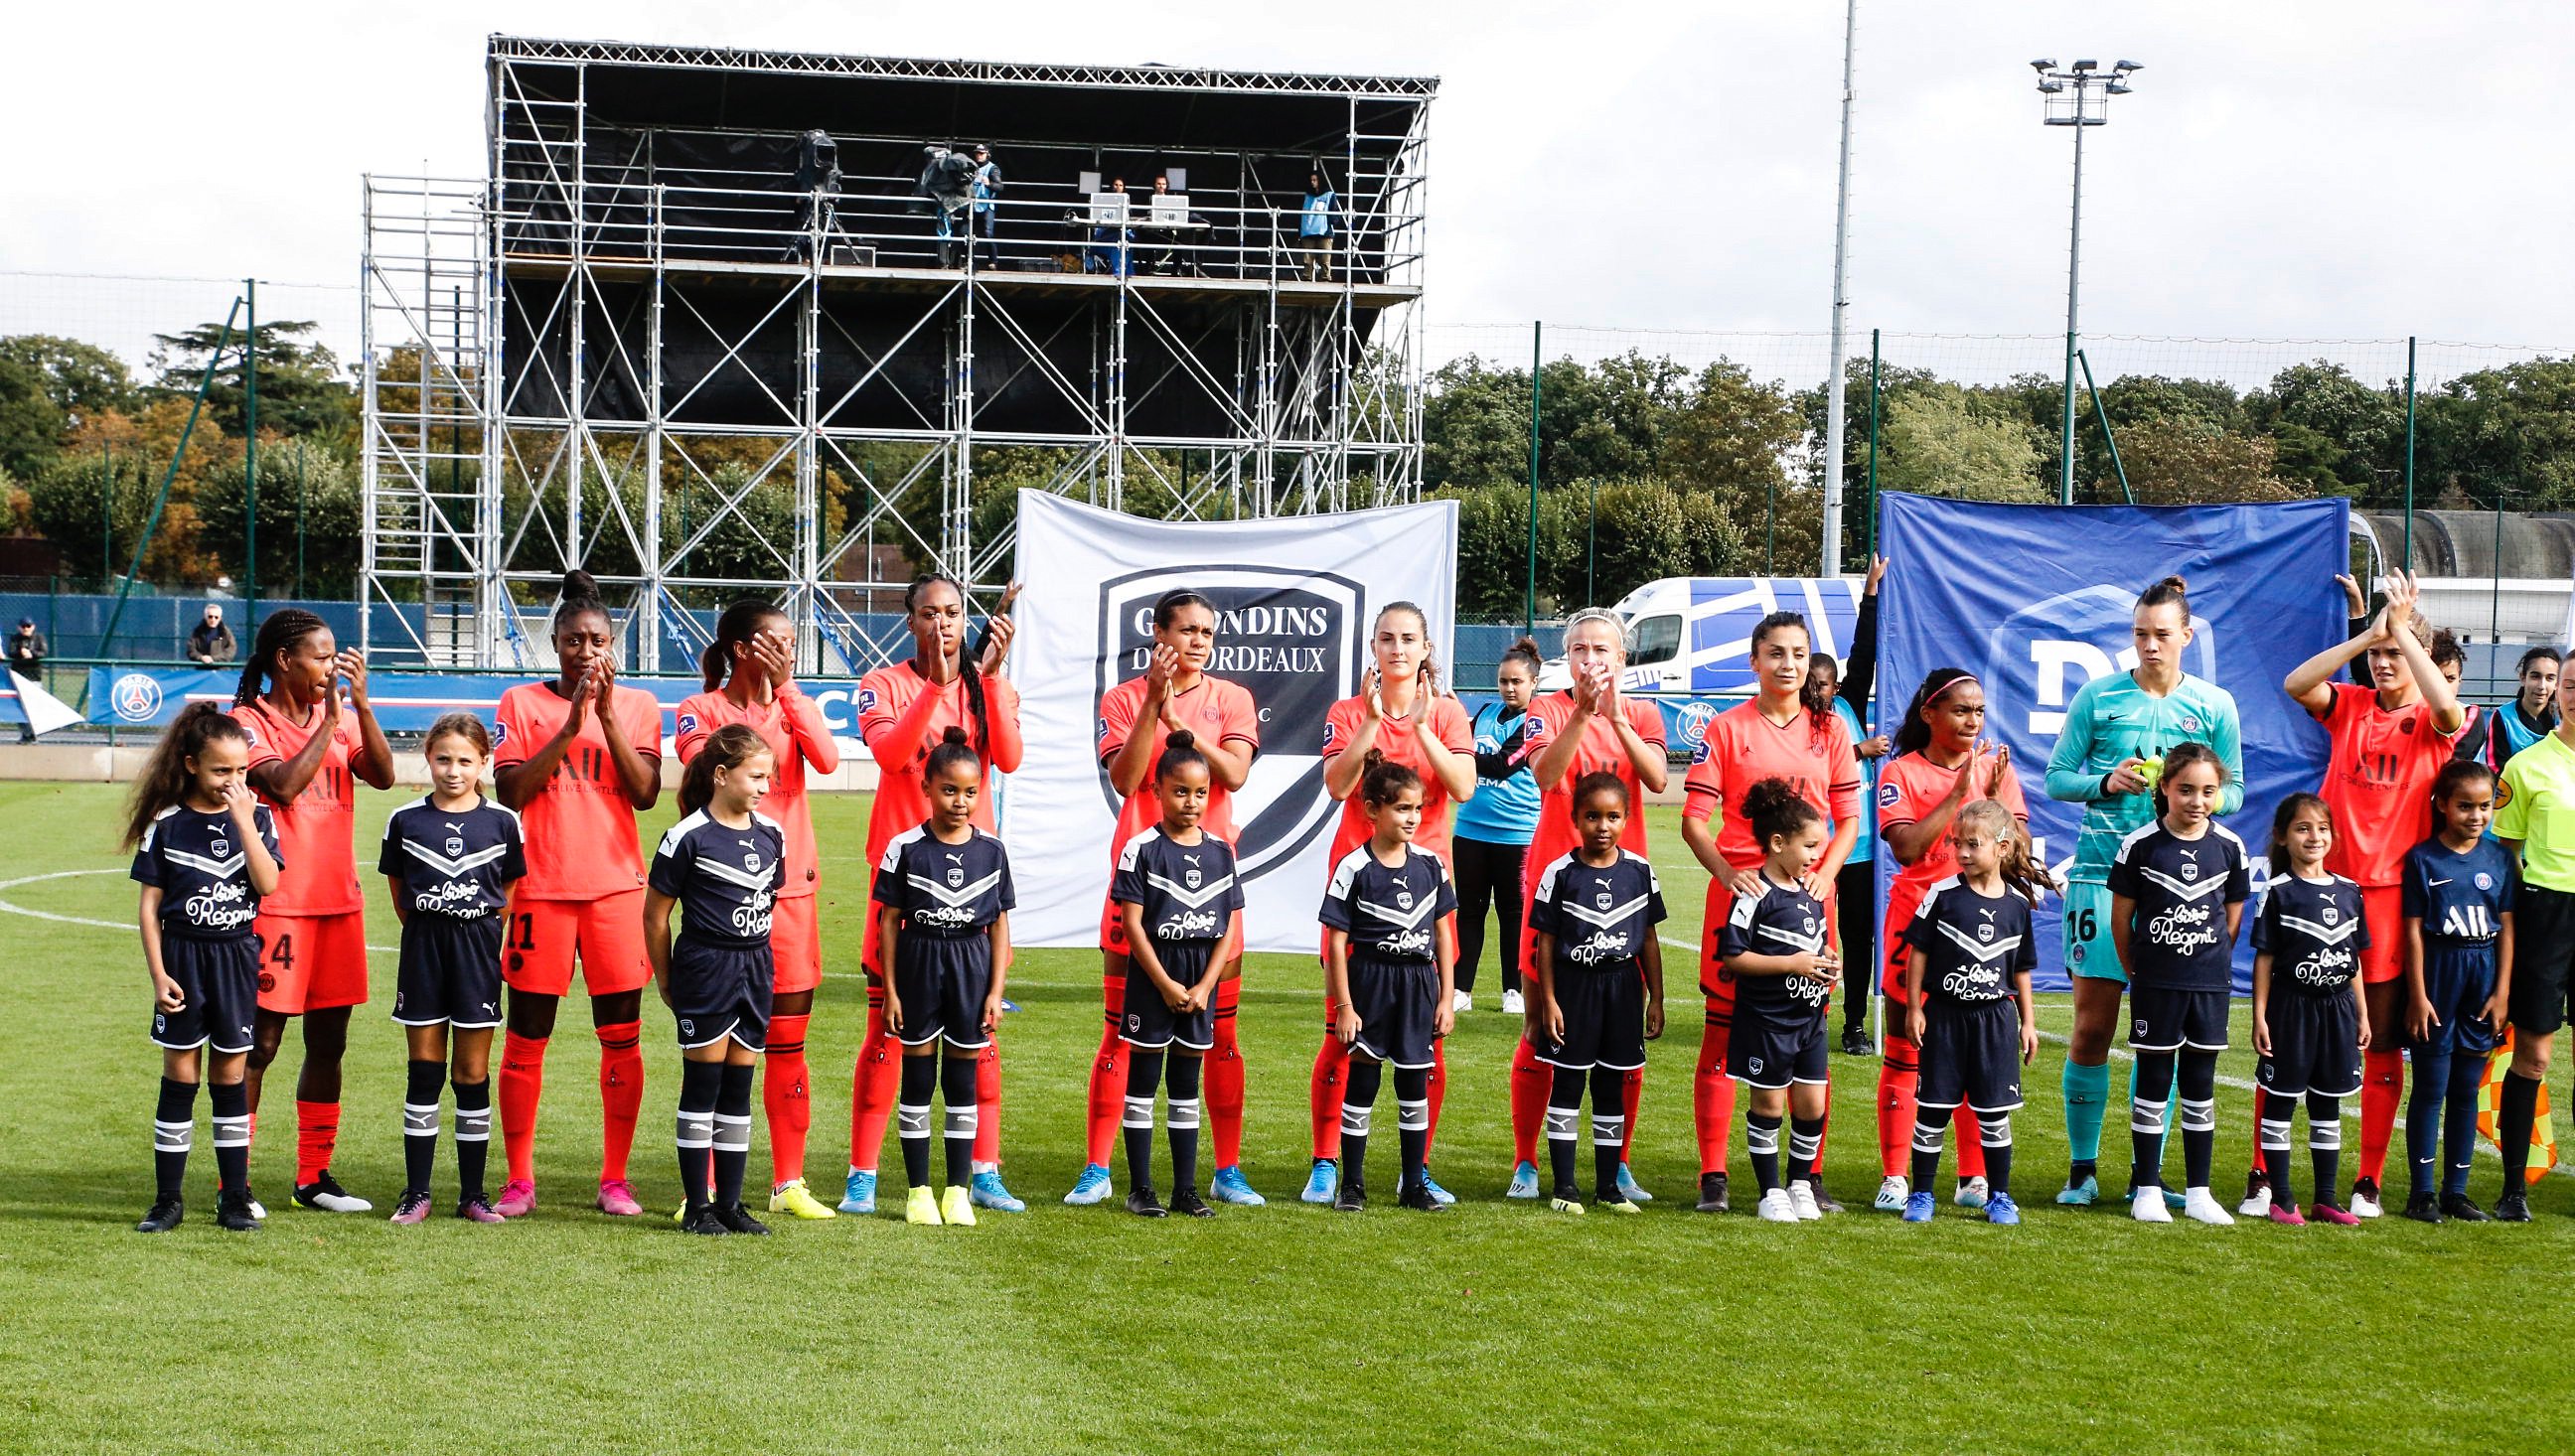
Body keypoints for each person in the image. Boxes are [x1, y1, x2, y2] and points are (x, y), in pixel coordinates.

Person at [2045, 575, 2243, 1209]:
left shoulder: (2215, 705)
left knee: (2171, 1038)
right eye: (2139, 634)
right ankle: (2082, 1170)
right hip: (2102, 878)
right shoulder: (2099, 698)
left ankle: (2147, 1175)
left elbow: (2234, 791)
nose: (2150, 646)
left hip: (2181, 893)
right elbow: (2055, 778)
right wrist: (2108, 783)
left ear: (2186, 636)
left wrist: (2192, 796)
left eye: (2162, 634)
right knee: (2092, 1029)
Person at [2280, 571, 2464, 1218]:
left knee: (2381, 1040)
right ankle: (2260, 1174)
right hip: (2322, 889)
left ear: (2418, 657)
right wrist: (2369, 637)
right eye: (2380, 655)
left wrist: (2404, 627)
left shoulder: (2433, 724)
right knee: (2291, 1029)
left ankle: (2368, 1179)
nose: (2386, 664)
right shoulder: (2351, 707)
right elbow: (2296, 684)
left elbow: (2445, 709)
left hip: (2389, 900)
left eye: (2397, 654)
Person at [1073, 590, 1262, 1208]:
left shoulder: (1231, 699)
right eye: (1187, 630)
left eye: (1208, 630)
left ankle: (1225, 1169)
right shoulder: (1124, 699)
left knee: (1219, 1035)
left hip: (1210, 894)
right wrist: (1154, 705)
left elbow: (1232, 775)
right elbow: (1126, 780)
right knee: (1120, 1037)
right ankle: (1100, 1169)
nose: (1199, 640)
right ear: (1158, 634)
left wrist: (1184, 730)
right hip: (1139, 892)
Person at [843, 576, 1024, 1217]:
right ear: (911, 621)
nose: (942, 624)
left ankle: (984, 1169)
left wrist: (990, 683)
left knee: (980, 1033)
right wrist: (938, 683)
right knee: (886, 1030)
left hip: (972, 882)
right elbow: (893, 755)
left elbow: (1009, 755)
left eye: (952, 614)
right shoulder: (881, 685)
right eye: (929, 614)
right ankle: (863, 1171)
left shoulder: (986, 685)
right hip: (902, 881)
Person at [491, 570, 665, 1220]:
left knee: (620, 1037)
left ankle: (615, 1179)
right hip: (539, 890)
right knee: (527, 1038)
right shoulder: (522, 704)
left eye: (595, 639)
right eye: (572, 640)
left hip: (615, 892)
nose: (584, 650)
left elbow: (645, 793)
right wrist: (569, 725)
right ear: (555, 643)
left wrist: (607, 714)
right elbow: (510, 793)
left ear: (611, 643)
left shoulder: (640, 705)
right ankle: (519, 1179)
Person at [1679, 610, 1860, 1215]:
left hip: (1813, 907)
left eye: (1800, 654)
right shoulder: (1727, 728)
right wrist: (1729, 874)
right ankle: (1714, 1174)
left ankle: (1807, 1177)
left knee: (1811, 1036)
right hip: (1743, 905)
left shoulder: (1829, 730)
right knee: (1722, 1037)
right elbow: (1693, 820)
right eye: (1776, 653)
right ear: (1754, 661)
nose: (1789, 664)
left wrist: (1823, 876)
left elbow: (1850, 820)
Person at [677, 601, 843, 1222]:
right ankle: (710, 1192)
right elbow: (699, 773)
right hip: (721, 902)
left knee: (786, 1045)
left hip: (791, 897)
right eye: (778, 641)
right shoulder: (702, 709)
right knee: (716, 1050)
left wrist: (790, 691)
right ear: (745, 647)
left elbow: (826, 758)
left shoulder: (794, 704)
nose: (789, 649)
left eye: (793, 641)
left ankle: (789, 1181)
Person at [1304, 601, 1473, 1208]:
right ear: (1372, 648)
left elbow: (1462, 787)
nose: (1397, 649)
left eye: (1408, 639)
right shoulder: (1347, 712)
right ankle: (1327, 1163)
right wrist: (1374, 724)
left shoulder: (1450, 713)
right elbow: (1337, 785)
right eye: (1385, 639)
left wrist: (1423, 725)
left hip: (1426, 893)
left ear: (1426, 648)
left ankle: (1415, 1168)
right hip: (1359, 892)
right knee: (1342, 1032)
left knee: (1425, 1040)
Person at [232, 608, 396, 1216]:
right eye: (321, 657)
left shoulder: (342, 718)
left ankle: (313, 1177)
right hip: (278, 906)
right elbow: (279, 785)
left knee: (330, 1044)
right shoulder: (246, 721)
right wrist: (332, 722)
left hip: (338, 903)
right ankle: (235, 1181)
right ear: (284, 659)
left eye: (335, 657)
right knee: (262, 1044)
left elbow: (381, 775)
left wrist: (362, 710)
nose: (332, 666)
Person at [1505, 610, 1667, 1204]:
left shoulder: (1644, 713)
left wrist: (1617, 717)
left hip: (1624, 893)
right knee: (1540, 1023)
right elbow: (1548, 776)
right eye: (1579, 649)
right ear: (1564, 658)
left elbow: (1653, 778)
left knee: (1623, 1034)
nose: (1591, 658)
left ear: (1622, 659)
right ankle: (1527, 1162)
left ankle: (1616, 1163)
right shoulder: (1546, 709)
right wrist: (1580, 711)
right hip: (1556, 883)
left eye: (1602, 649)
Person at [1872, 668, 2024, 1213]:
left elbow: (2017, 843)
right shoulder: (1900, 771)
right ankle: (1895, 1175)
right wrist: (1961, 794)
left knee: (1974, 1046)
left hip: (1979, 927)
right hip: (1916, 921)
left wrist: (1996, 804)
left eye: (1979, 711)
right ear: (1929, 715)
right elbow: (1908, 849)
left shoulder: (1996, 768)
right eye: (1961, 710)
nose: (1972, 721)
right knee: (1907, 1044)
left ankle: (1973, 1177)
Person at [126, 704, 280, 1234]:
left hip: (236, 957)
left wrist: (242, 818)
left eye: (241, 771)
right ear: (191, 764)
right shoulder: (167, 824)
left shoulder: (258, 817)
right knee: (180, 1074)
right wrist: (157, 975)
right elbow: (149, 908)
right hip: (183, 959)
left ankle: (233, 1198)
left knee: (231, 1074)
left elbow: (268, 885)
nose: (233, 782)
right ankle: (167, 1200)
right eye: (221, 771)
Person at [379, 714, 524, 1224]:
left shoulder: (504, 822)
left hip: (477, 953)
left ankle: (472, 1195)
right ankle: (417, 1192)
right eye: (443, 759)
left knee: (471, 1072)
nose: (453, 770)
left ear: (484, 762)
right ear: (428, 759)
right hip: (423, 952)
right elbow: (398, 890)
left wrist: (477, 925)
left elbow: (510, 891)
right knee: (424, 1070)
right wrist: (430, 922)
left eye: (465, 760)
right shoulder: (405, 820)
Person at [646, 724, 785, 1237]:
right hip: (706, 967)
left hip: (756, 967)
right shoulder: (687, 836)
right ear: (721, 776)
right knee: (702, 1085)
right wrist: (667, 978)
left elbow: (768, 902)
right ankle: (698, 1207)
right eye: (756, 777)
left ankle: (730, 1203)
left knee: (738, 1088)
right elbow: (655, 915)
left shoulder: (773, 836)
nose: (764, 788)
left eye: (769, 778)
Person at [873, 728, 1014, 1228]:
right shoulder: (906, 847)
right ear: (927, 788)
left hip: (970, 966)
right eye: (949, 789)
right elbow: (889, 921)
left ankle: (957, 1191)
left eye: (971, 791)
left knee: (961, 1084)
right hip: (918, 962)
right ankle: (918, 1192)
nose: (960, 801)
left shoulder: (992, 851)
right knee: (916, 1079)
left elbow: (999, 924)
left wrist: (995, 991)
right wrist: (890, 990)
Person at [2108, 743, 2252, 1225]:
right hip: (2157, 985)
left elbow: (2230, 922)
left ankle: (2198, 1192)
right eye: (2186, 789)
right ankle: (2147, 1188)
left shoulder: (2230, 847)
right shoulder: (2141, 845)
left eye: (2208, 791)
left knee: (2200, 1084)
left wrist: (2206, 964)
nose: (2196, 800)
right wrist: (2142, 972)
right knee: (2152, 1082)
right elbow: (2122, 922)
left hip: (2209, 986)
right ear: (2165, 788)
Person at [1108, 732, 1244, 1219]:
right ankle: (1140, 1188)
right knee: (1144, 1080)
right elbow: (1131, 924)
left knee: (1186, 1084)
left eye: (1200, 792)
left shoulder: (1221, 851)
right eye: (1180, 791)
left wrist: (1206, 986)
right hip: (1155, 976)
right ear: (1158, 792)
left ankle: (1186, 1190)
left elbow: (1226, 926)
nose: (1191, 802)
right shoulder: (1141, 848)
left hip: (1200, 977)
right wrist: (1165, 984)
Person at [1319, 756, 1459, 1213]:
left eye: (1417, 809)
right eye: (1402, 809)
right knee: (1362, 1084)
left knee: (1413, 1086)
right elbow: (1337, 944)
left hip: (1418, 985)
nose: (1412, 818)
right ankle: (1352, 1185)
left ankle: (1414, 1184)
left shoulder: (1431, 865)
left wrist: (1446, 998)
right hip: (1371, 983)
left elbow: (1442, 933)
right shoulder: (1354, 867)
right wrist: (1344, 1006)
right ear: (1372, 810)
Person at [1897, 799, 2045, 1226]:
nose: (1962, 852)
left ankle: (2000, 1196)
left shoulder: (2017, 903)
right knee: (1933, 1109)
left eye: (1972, 844)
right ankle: (1921, 1194)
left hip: (1995, 1021)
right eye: (1957, 843)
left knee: (1994, 1113)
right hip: (1944, 1016)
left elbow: (2021, 969)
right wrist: (1914, 1008)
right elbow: (1918, 953)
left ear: (2002, 847)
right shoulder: (1943, 894)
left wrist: (2028, 1023)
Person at [1528, 772, 1668, 1215]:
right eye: (1592, 817)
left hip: (1624, 989)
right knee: (1568, 1083)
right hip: (1575, 989)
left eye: (1612, 816)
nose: (1602, 826)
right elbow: (1545, 942)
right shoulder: (1560, 872)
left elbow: (1647, 939)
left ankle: (1608, 1186)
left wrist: (1657, 998)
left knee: (1612, 1086)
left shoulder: (1640, 871)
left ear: (1627, 819)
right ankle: (1564, 1188)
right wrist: (1548, 1000)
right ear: (1575, 819)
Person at [1713, 779, 1840, 1223]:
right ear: (1778, 842)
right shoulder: (1753, 894)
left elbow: (1816, 947)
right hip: (1766, 1022)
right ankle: (1771, 1192)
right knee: (1769, 1107)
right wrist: (1792, 965)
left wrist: (1826, 963)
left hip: (1810, 1022)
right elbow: (1734, 956)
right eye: (1809, 846)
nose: (1815, 856)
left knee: (1812, 1106)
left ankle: (1801, 1184)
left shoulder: (1811, 895)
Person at [2399, 761, 2516, 1223]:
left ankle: (2457, 1192)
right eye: (2465, 806)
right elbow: (2411, 931)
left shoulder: (2500, 859)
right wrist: (2418, 994)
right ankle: (2422, 1194)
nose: (2476, 815)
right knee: (2430, 1087)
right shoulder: (2423, 858)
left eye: (2485, 806)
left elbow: (2507, 928)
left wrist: (2502, 991)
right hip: (2439, 973)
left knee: (2467, 1088)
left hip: (2483, 974)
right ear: (2442, 805)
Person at [2247, 793, 2366, 1227]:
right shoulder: (2278, 892)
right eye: (2302, 828)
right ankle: (2282, 1198)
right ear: (2282, 837)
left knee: (2327, 1103)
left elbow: (2354, 960)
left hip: (2337, 1011)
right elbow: (2264, 958)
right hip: (2290, 1010)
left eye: (2321, 828)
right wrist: (2260, 1016)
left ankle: (2327, 1199)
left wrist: (2362, 1014)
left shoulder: (2350, 891)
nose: (2314, 836)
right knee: (2281, 1101)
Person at [2490, 649, 2575, 1223]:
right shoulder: (2525, 766)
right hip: (2547, 917)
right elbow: (2508, 853)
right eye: (2570, 684)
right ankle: (2513, 1187)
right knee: (2534, 1057)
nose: (2573, 694)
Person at [1452, 637, 1543, 1018]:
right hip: (1471, 828)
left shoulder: (1536, 722)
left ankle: (1513, 988)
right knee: (1468, 912)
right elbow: (1459, 750)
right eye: (1503, 680)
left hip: (1517, 833)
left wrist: (1462, 754)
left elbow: (1501, 765)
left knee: (1512, 914)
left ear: (1533, 683)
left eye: (1516, 682)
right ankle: (1461, 988)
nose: (1508, 688)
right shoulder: (1486, 712)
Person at [1824, 556, 1890, 1055]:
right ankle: (1805, 1015)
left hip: (1862, 846)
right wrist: (1857, 751)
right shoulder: (1796, 720)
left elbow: (1863, 651)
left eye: (1826, 683)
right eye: (1812, 682)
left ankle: (1853, 1025)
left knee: (1859, 939)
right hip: (1815, 850)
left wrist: (1870, 595)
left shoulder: (1847, 705)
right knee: (1810, 938)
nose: (1817, 690)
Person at [2461, 646, 2559, 772]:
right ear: (2523, 678)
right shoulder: (2503, 717)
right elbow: (2496, 768)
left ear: (2557, 684)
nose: (2542, 685)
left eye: (2550, 678)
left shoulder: (2562, 719)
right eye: (2535, 676)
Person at [8, 616, 45, 743]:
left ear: (33, 627)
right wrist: (21, 652)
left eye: (28, 626)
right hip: (17, 677)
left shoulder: (39, 638)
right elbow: (11, 652)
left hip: (34, 677)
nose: (25, 629)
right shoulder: (15, 638)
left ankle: (34, 734)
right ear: (19, 627)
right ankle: (26, 734)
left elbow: (43, 652)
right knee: (18, 707)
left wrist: (32, 653)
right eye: (23, 626)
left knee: (34, 708)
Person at [1088, 178, 1132, 277]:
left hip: (1120, 232)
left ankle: (1125, 270)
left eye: (1120, 185)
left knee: (1128, 239)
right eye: (1116, 185)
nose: (1118, 187)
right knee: (1115, 245)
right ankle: (1118, 271)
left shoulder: (1127, 202)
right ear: (1112, 186)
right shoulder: (1103, 200)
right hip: (1105, 232)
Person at [1297, 170, 1335, 281]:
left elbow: (1334, 212)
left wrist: (1329, 223)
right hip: (1308, 231)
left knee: (1325, 259)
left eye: (1315, 180)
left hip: (1324, 231)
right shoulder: (1307, 195)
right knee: (1307, 259)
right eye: (1311, 180)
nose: (1313, 183)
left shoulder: (1329, 195)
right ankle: (1307, 277)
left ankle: (1325, 278)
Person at [971, 144, 1002, 266]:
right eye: (977, 153)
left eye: (981, 153)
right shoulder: (970, 166)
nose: (979, 156)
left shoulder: (992, 168)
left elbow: (1000, 186)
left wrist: (989, 183)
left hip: (986, 206)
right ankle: (970, 261)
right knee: (965, 234)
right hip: (971, 206)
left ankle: (993, 261)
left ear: (987, 154)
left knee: (988, 232)